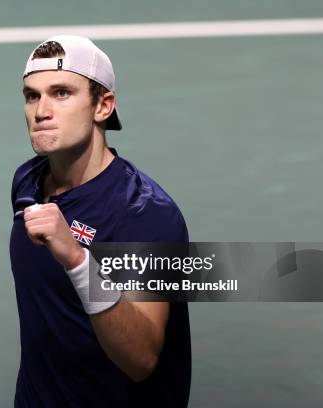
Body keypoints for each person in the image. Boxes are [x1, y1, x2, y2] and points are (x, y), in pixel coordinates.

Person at [10, 35, 191, 407]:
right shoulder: (27, 181)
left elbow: (141, 360)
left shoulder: (145, 213)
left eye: (61, 93)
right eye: (32, 95)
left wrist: (78, 261)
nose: (41, 110)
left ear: (103, 106)